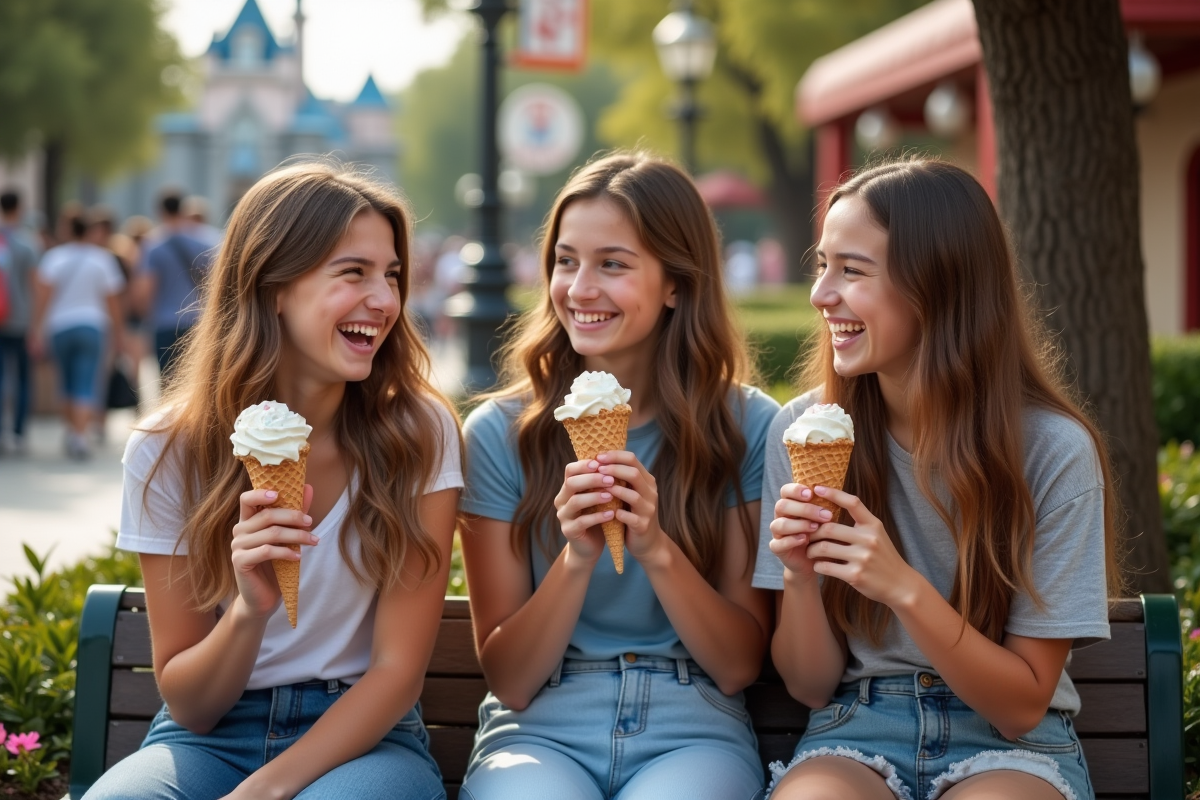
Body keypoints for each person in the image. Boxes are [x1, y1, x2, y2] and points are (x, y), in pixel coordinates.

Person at [82, 162, 462, 800]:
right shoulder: (167, 447)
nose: (386, 299)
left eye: (392, 275)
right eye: (354, 272)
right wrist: (249, 611)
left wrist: (263, 791)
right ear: (272, 286)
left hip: (365, 738)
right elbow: (193, 705)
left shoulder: (419, 432)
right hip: (206, 740)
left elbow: (397, 672)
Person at [757, 158, 1120, 800]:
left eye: (852, 271)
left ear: (935, 286)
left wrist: (903, 588)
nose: (819, 295)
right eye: (822, 265)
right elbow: (810, 686)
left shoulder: (1053, 450)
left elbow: (1021, 705)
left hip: (1012, 747)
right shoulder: (803, 430)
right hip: (859, 725)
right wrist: (799, 576)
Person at [458, 151, 778, 800]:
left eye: (612, 264)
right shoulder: (499, 433)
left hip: (694, 724)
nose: (579, 289)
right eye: (566, 260)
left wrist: (657, 547)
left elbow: (739, 663)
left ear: (677, 285)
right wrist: (576, 558)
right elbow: (511, 680)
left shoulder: (745, 426)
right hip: (538, 725)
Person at [29, 213, 125, 459]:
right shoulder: (102, 259)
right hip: (93, 326)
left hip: (59, 326)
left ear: (67, 229)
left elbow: (42, 297)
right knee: (86, 380)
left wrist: (37, 328)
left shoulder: (54, 258)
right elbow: (113, 301)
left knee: (66, 381)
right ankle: (80, 436)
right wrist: (118, 332)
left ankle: (73, 431)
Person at [135, 190, 213, 384]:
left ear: (160, 211)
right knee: (195, 383)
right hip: (198, 321)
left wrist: (144, 315)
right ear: (183, 209)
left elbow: (145, 289)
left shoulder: (153, 245)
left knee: (168, 383)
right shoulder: (205, 241)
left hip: (164, 323)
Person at [0, 189, 40, 454]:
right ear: (20, 208)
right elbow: (35, 285)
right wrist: (37, 324)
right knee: (24, 377)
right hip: (21, 319)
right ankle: (18, 433)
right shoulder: (28, 243)